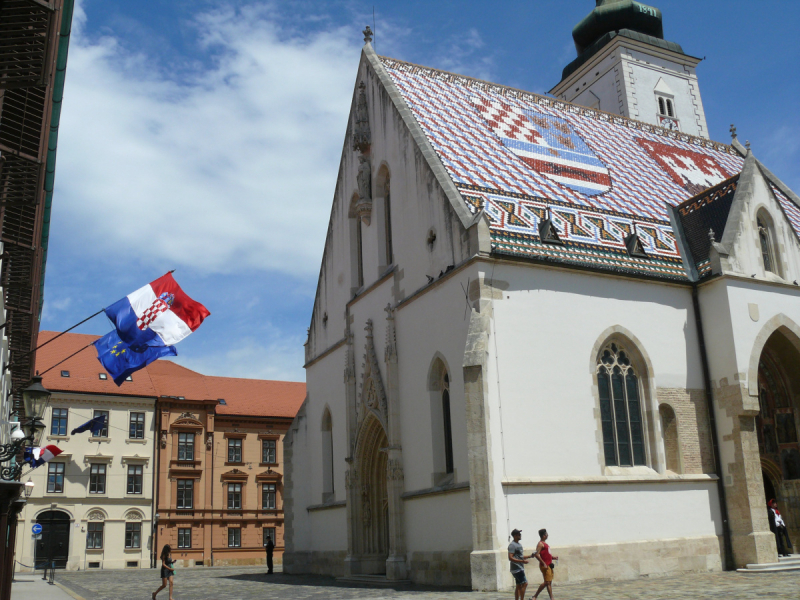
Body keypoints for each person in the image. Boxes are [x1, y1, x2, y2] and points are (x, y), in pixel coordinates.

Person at [532, 528, 558, 600]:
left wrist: (553, 557)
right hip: (545, 565)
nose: (547, 535)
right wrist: (543, 563)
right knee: (547, 582)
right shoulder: (540, 544)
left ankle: (549, 597)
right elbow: (537, 554)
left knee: (548, 582)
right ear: (543, 535)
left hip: (549, 564)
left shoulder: (545, 544)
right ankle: (536, 596)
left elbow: (547, 555)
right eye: (546, 534)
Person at [508, 528, 533, 600]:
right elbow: (510, 557)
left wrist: (529, 556)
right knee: (525, 583)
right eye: (519, 534)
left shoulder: (518, 544)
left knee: (518, 585)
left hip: (519, 568)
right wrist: (522, 562)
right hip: (517, 569)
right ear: (515, 536)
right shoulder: (512, 545)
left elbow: (520, 556)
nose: (520, 535)